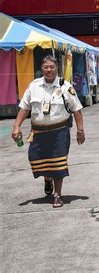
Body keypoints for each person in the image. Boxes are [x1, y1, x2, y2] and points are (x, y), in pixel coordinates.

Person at [11, 55, 85, 208]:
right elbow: (24, 107)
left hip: (59, 132)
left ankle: (57, 195)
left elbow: (77, 109)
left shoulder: (65, 87)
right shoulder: (34, 86)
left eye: (52, 67)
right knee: (36, 159)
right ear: (42, 69)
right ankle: (47, 179)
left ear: (57, 68)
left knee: (59, 164)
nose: (49, 70)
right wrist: (16, 126)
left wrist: (80, 130)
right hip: (38, 132)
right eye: (46, 67)